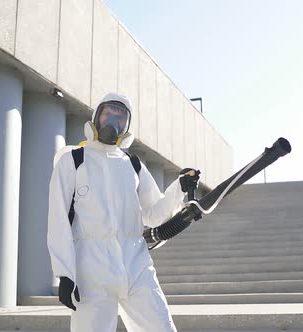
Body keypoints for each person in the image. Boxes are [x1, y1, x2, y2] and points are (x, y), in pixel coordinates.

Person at [47, 93, 200, 332]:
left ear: (126, 126)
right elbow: (58, 220)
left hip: (136, 264)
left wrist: (179, 187)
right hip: (91, 269)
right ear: (97, 117)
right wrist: (64, 273)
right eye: (108, 113)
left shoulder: (132, 163)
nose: (113, 121)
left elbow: (153, 214)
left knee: (161, 328)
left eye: (120, 117)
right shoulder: (73, 161)